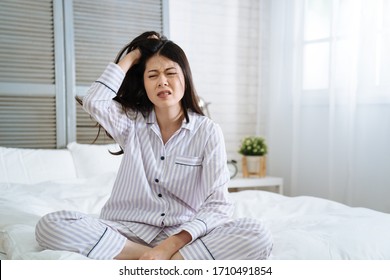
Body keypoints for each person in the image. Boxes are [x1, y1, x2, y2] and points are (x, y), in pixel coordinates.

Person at [35, 31, 273, 260]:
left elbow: (218, 204)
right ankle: (159, 259)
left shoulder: (208, 131)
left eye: (170, 73)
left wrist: (170, 245)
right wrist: (134, 55)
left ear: (185, 79)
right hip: (125, 232)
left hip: (180, 235)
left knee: (257, 234)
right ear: (145, 84)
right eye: (152, 75)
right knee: (50, 226)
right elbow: (94, 100)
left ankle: (162, 256)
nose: (162, 81)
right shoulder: (130, 123)